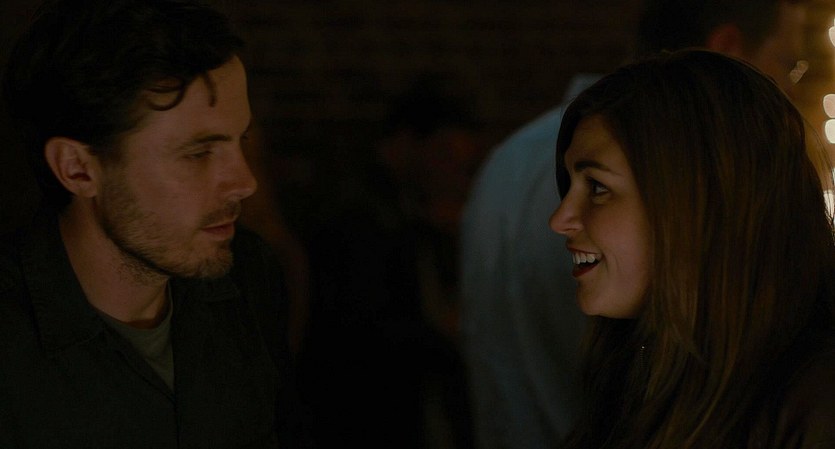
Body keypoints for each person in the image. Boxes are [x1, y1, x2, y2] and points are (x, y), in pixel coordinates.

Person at [458, 0, 808, 447]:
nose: (560, 219)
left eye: (596, 189)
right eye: (789, 65)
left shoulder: (508, 160)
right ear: (727, 47)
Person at [0, 0, 297, 447]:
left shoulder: (249, 277)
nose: (245, 182)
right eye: (198, 153)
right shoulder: (14, 344)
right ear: (77, 168)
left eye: (241, 140)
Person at [550, 48, 835, 449]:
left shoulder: (813, 405)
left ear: (700, 203)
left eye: (597, 187)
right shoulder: (636, 377)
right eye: (569, 185)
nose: (559, 219)